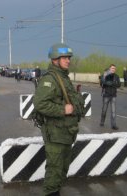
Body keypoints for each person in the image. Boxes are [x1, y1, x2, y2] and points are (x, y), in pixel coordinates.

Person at [33, 43, 84, 196]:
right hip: (55, 134)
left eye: (69, 58)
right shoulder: (50, 79)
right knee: (54, 173)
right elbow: (40, 104)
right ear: (55, 59)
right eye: (64, 58)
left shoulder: (63, 77)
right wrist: (63, 109)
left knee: (62, 170)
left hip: (66, 133)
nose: (68, 60)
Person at [100, 64, 121, 130]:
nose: (113, 69)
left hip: (113, 96)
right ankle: (102, 122)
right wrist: (106, 82)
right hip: (106, 95)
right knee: (104, 110)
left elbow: (119, 85)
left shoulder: (116, 76)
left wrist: (113, 83)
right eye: (112, 68)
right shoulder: (105, 75)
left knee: (113, 111)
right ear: (109, 69)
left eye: (114, 68)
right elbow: (101, 83)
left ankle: (113, 125)